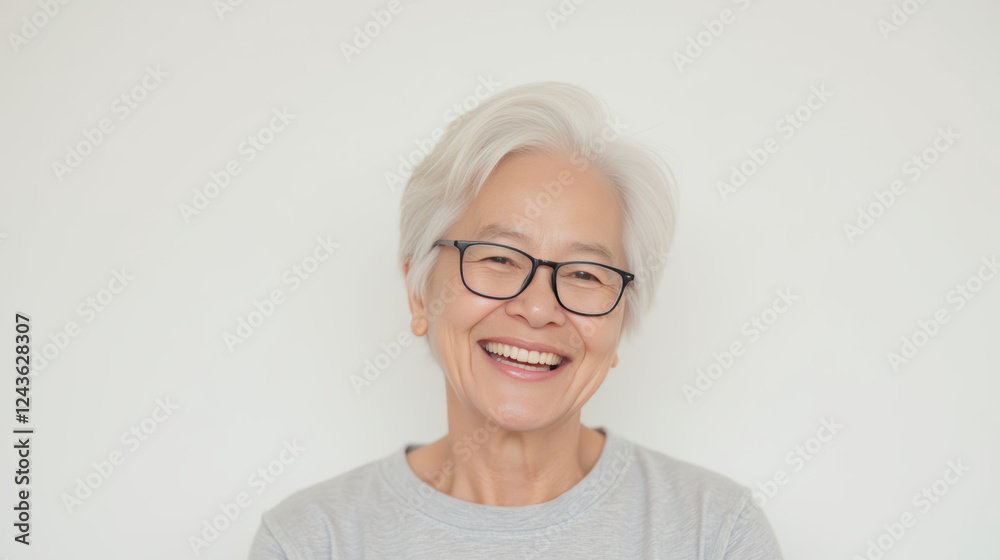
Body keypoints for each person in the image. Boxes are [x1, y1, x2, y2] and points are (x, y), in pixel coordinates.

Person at [248, 82, 783, 559]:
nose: (538, 308)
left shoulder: (714, 534)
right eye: (500, 259)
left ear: (620, 321)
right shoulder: (311, 541)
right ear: (419, 293)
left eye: (584, 274)